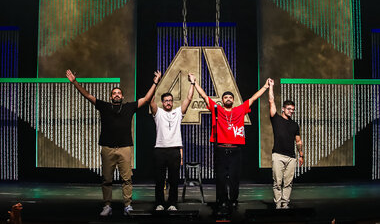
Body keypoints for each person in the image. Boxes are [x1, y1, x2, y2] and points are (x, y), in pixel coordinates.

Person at [65, 69, 161, 216]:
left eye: (118, 93)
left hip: (125, 149)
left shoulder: (129, 107)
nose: (116, 94)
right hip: (107, 148)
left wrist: (155, 82)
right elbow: (87, 96)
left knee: (127, 179)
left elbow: (147, 98)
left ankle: (128, 205)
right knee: (106, 180)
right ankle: (107, 205)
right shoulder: (104, 106)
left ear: (122, 96)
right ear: (111, 97)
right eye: (114, 93)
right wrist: (75, 82)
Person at [189, 73, 270, 215]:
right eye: (225, 97)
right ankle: (222, 201)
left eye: (230, 97)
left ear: (233, 100)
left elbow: (253, 98)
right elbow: (204, 96)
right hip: (221, 148)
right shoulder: (217, 109)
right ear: (222, 100)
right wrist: (194, 83)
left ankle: (233, 200)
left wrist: (265, 86)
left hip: (235, 150)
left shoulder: (239, 110)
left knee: (234, 178)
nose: (228, 99)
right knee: (220, 178)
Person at [149, 74, 196, 211]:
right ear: (162, 102)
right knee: (159, 180)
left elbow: (188, 99)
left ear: (172, 102)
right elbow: (150, 100)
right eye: (165, 101)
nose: (168, 102)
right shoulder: (158, 113)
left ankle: (172, 204)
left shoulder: (178, 112)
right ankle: (159, 203)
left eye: (170, 100)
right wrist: (155, 83)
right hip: (160, 150)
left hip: (174, 150)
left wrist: (192, 83)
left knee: (174, 181)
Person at [268, 79, 304, 209]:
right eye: (289, 109)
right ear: (283, 109)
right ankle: (278, 204)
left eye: (293, 109)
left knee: (288, 183)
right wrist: (271, 86)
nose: (291, 111)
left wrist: (301, 155)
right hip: (278, 155)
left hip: (291, 157)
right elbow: (271, 101)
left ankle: (285, 203)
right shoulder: (276, 119)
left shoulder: (294, 125)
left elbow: (298, 141)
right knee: (277, 182)